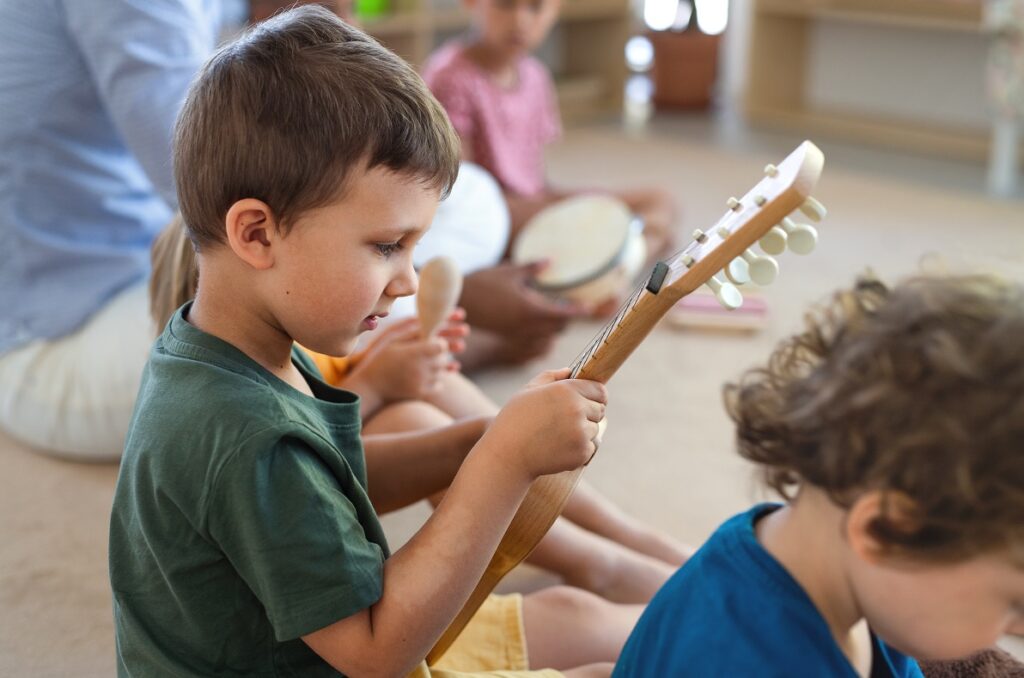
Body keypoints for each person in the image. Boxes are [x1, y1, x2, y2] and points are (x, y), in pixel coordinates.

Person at [110, 8, 642, 676]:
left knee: (583, 620)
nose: (408, 282)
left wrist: (480, 437)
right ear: (257, 234)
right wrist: (501, 464)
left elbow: (325, 487)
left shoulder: (228, 347)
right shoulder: (246, 436)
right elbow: (377, 650)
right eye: (388, 247)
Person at [0, 0, 572, 463]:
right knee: (331, 303)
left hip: (183, 248)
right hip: (60, 337)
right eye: (388, 250)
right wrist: (459, 296)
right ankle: (402, 341)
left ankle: (386, 354)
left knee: (472, 197)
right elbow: (204, 178)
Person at [151, 214, 690, 604]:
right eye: (387, 248)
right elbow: (301, 442)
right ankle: (597, 563)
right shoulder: (229, 394)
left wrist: (414, 359)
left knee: (439, 391)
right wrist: (380, 384)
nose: (404, 279)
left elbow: (337, 382)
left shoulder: (299, 325)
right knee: (416, 418)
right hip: (337, 454)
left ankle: (621, 532)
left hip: (353, 427)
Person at [613, 274, 1024, 676]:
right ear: (885, 529)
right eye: (1015, 605)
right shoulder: (745, 660)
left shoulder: (830, 571)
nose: (1020, 630)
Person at [422, 0, 678, 263]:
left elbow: (535, 179)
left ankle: (629, 253)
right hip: (489, 215)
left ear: (555, 10)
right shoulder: (449, 76)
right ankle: (621, 253)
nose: (520, 20)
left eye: (535, 7)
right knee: (581, 225)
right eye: (505, 4)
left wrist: (566, 204)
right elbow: (461, 192)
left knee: (659, 199)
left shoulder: (535, 76)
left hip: (534, 204)